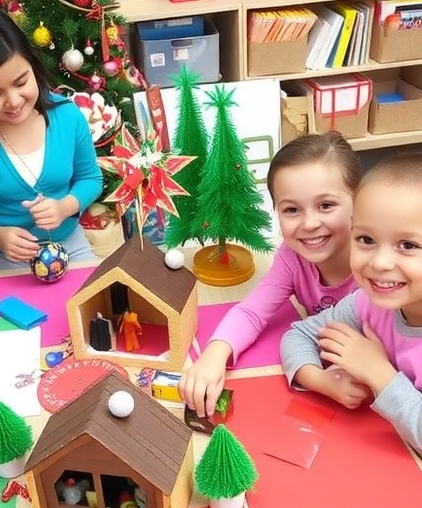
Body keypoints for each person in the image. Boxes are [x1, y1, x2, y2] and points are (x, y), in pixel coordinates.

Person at [179, 131, 361, 417]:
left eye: (326, 205)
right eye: (291, 210)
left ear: (359, 203)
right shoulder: (292, 258)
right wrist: (214, 354)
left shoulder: (379, 269)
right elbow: (253, 312)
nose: (310, 223)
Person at [280, 153, 422, 454]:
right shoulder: (369, 304)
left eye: (408, 245)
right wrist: (321, 380)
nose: (380, 262)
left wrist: (379, 373)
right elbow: (300, 334)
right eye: (366, 240)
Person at [0, 9, 103, 271]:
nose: (13, 102)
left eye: (21, 82)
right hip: (0, 255)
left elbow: (91, 178)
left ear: (33, 66)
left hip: (69, 244)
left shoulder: (67, 116)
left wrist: (64, 207)